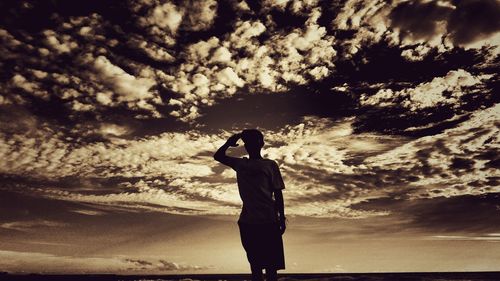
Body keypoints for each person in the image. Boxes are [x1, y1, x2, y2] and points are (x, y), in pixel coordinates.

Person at [214, 129, 286, 281]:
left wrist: (281, 217)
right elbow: (218, 156)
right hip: (248, 222)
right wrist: (229, 142)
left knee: (271, 267)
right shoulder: (240, 163)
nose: (251, 145)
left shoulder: (270, 165)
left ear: (262, 144)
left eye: (255, 141)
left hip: (269, 220)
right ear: (246, 146)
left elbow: (278, 193)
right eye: (248, 142)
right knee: (256, 266)